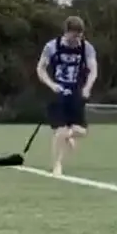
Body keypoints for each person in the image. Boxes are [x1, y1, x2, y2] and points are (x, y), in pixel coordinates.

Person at [36, 16, 98, 176]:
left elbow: (93, 70)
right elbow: (41, 68)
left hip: (76, 91)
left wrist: (87, 87)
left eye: (79, 36)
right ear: (66, 32)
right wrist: (51, 85)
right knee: (61, 129)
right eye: (73, 36)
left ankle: (69, 136)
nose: (76, 39)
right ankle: (57, 165)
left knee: (82, 131)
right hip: (58, 92)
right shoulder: (51, 46)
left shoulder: (87, 48)